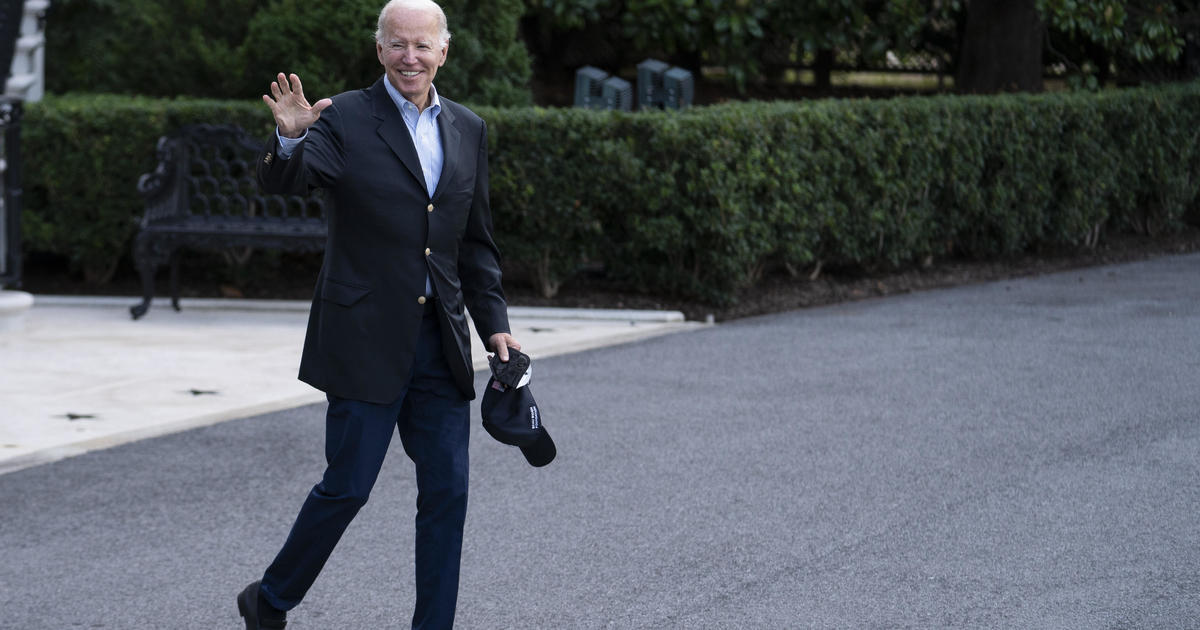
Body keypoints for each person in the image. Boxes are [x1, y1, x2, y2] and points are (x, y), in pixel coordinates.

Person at [236, 1, 520, 628]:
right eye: (397, 45)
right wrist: (289, 139)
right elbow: (291, 181)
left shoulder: (468, 128)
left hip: (439, 342)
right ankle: (270, 598)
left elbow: (473, 241)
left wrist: (493, 321)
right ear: (379, 50)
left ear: (443, 51)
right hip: (363, 338)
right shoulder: (343, 118)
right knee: (348, 487)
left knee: (448, 493)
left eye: (422, 45)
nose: (409, 57)